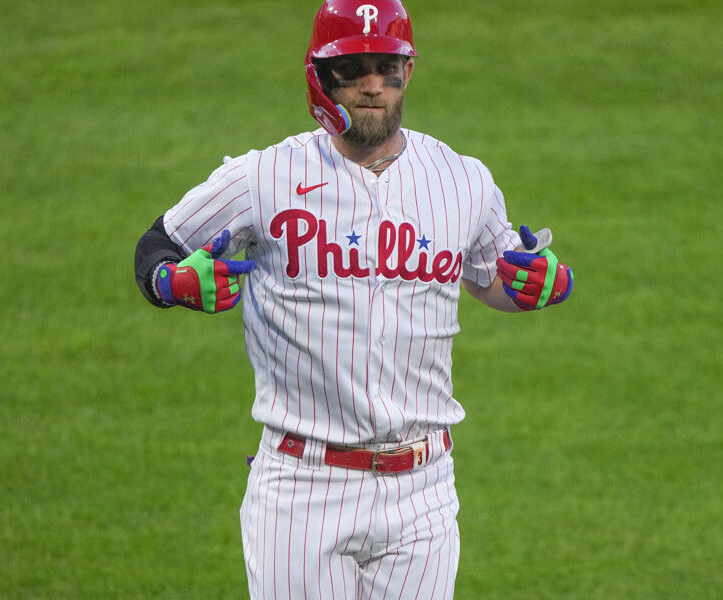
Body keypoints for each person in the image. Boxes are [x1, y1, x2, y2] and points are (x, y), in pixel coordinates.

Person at [133, 1, 573, 597]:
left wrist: (535, 286)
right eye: (353, 68)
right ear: (320, 74)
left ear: (408, 72)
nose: (371, 84)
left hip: (423, 490)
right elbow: (157, 246)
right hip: (302, 487)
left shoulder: (463, 180)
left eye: (386, 67)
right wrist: (171, 284)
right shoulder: (263, 178)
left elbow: (494, 276)